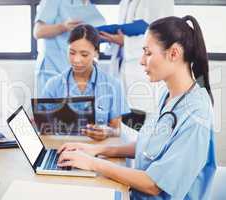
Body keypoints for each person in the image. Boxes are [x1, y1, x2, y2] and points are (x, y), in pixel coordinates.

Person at [57, 16, 216, 199]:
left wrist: (93, 163)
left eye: (148, 53)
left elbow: (154, 185)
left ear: (173, 54)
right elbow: (146, 146)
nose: (141, 61)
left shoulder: (196, 112)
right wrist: (97, 150)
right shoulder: (169, 95)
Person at [42, 24, 129, 141]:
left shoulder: (113, 85)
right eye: (72, 53)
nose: (76, 60)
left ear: (96, 53)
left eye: (84, 54)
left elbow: (117, 129)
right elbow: (44, 127)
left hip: (99, 151)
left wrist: (108, 132)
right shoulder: (53, 85)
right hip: (63, 150)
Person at [99, 0, 174, 111]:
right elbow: (122, 29)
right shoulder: (125, 2)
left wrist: (126, 41)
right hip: (122, 64)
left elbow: (164, 38)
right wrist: (113, 38)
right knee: (120, 114)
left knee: (141, 114)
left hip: (143, 71)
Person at [34, 0, 105, 97]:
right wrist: (63, 27)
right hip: (53, 70)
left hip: (79, 76)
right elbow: (38, 32)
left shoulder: (89, 4)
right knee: (51, 110)